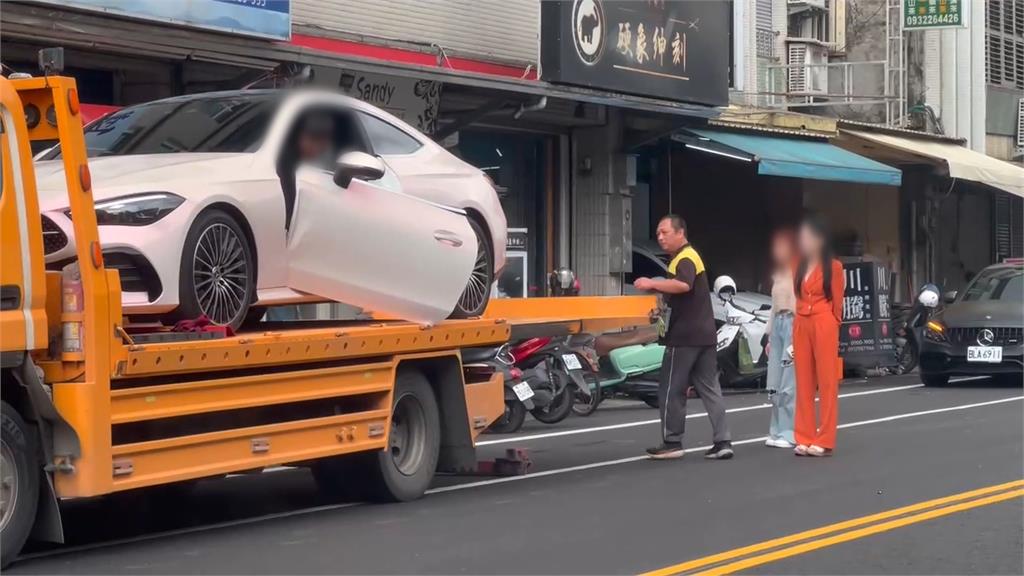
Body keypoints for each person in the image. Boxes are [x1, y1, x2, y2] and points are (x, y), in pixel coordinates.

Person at [633, 215, 733, 460]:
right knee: (710, 388)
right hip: (704, 335)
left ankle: (672, 441)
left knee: (670, 388)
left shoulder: (685, 257)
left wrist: (652, 283)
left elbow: (683, 285)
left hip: (685, 336)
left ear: (680, 233)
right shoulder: (689, 256)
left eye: (664, 232)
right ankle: (723, 441)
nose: (660, 237)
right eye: (658, 233)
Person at [792, 214, 845, 457]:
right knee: (803, 381)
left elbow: (837, 302)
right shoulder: (798, 263)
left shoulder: (833, 266)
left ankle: (824, 438)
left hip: (824, 321)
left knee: (826, 381)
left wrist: (832, 323)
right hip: (801, 321)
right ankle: (803, 436)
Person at [764, 229, 797, 448]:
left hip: (794, 323)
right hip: (778, 324)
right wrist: (768, 336)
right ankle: (776, 431)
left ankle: (790, 433)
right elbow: (773, 307)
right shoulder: (778, 273)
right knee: (774, 380)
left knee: (789, 382)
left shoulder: (800, 270)